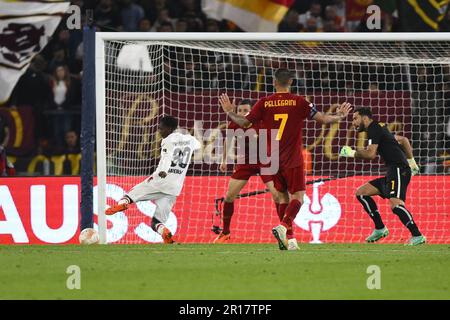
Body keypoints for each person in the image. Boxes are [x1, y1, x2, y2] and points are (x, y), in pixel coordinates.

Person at [219, 68, 352, 250]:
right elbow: (323, 119)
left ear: (274, 82)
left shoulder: (264, 103)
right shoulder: (300, 102)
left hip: (271, 158)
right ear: (291, 82)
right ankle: (284, 227)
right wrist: (340, 116)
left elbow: (243, 123)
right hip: (291, 157)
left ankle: (290, 240)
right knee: (298, 197)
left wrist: (229, 111)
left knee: (282, 197)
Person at [105, 116, 201, 243]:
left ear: (169, 128)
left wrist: (164, 171)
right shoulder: (190, 139)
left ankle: (121, 204)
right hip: (175, 187)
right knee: (157, 222)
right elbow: (198, 145)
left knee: (131, 194)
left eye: (161, 128)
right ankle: (165, 233)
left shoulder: (167, 140)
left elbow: (167, 158)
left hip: (160, 180)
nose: (159, 131)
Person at [339, 107, 425, 245]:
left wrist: (351, 153)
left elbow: (370, 154)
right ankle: (380, 228)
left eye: (355, 118)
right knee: (362, 193)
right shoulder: (380, 127)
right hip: (394, 170)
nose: (353, 123)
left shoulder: (374, 128)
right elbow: (403, 140)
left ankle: (417, 235)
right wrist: (412, 163)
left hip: (398, 169)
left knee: (396, 205)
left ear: (365, 118)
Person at [215, 100, 287, 246]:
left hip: (265, 161)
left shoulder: (260, 120)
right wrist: (224, 160)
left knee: (277, 195)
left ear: (252, 110)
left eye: (246, 110)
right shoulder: (235, 123)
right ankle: (226, 233)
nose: (243, 113)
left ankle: (285, 231)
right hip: (245, 163)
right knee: (229, 196)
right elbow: (228, 141)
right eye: (240, 110)